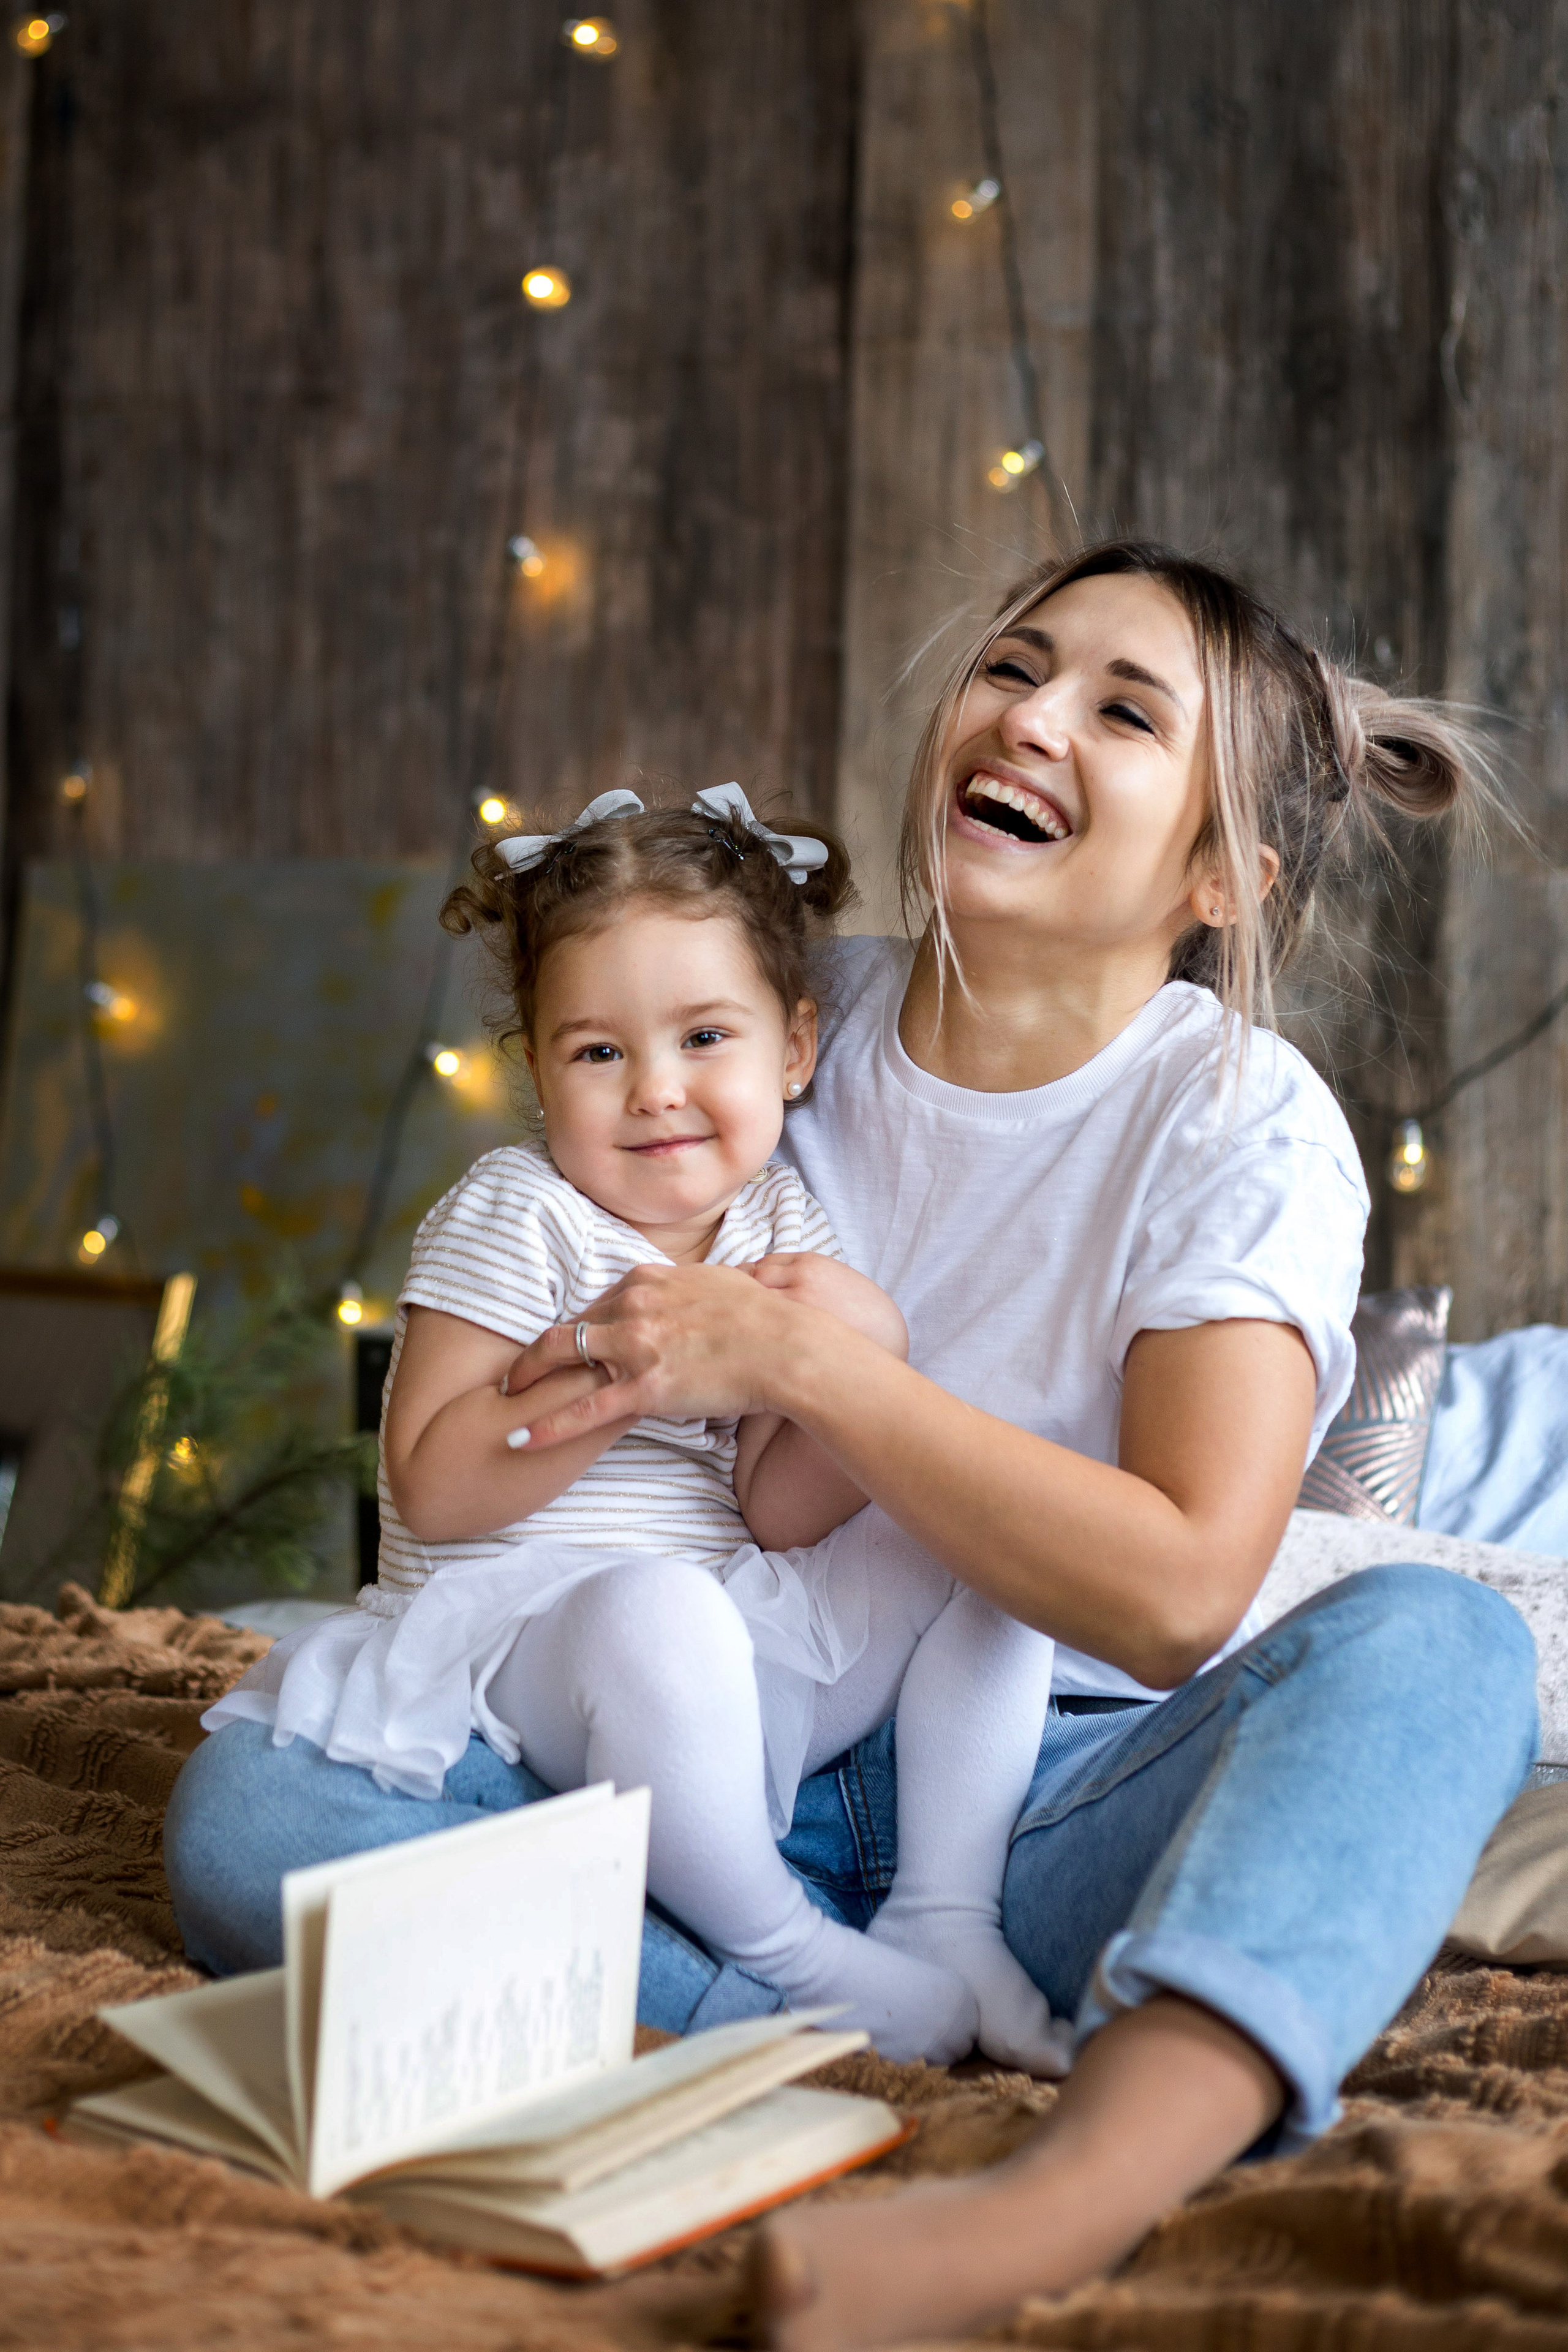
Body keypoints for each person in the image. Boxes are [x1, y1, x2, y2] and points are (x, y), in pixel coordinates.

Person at [165, 538, 1537, 2343]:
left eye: (1123, 712)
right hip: (675, 1743)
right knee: (256, 1809)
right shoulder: (771, 1017)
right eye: (1014, 667)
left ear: (1219, 875)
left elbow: (1182, 1596)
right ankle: (804, 2023)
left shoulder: (1238, 1124)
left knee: (1447, 1647)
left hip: (1039, 1795)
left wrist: (813, 1371)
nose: (1029, 717)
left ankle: (1049, 2199)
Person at [201, 781, 1068, 2073]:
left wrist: (858, 1356)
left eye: (704, 1037)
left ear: (793, 1049)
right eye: (599, 1053)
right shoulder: (519, 1211)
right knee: (651, 1615)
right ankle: (783, 1950)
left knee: (995, 1533)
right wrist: (628, 1380)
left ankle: (946, 1915)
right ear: (538, 1069)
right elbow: (431, 1487)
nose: (656, 1090)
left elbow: (778, 1508)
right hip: (530, 1647)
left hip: (731, 1646)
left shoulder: (782, 1227)